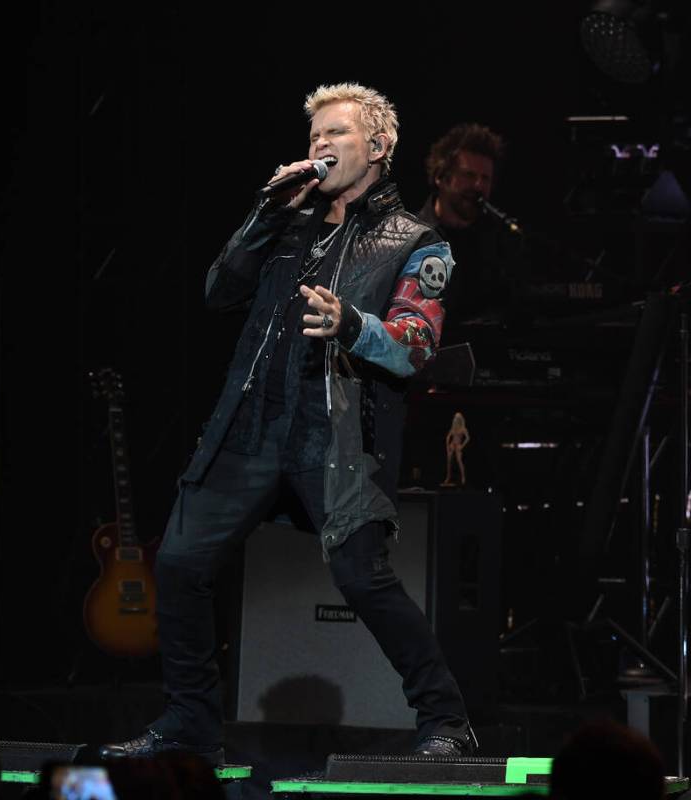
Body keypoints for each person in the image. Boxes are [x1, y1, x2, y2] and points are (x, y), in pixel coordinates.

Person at [100, 82, 475, 763]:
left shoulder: (416, 242)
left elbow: (414, 346)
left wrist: (349, 323)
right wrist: (262, 213)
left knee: (363, 578)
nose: (320, 146)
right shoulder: (286, 220)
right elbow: (219, 291)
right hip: (250, 424)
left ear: (379, 147)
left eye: (336, 133)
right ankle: (190, 723)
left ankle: (445, 720)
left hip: (334, 436)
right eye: (313, 138)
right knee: (181, 565)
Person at [417, 123, 521, 338]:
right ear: (441, 177)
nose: (478, 186)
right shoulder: (411, 237)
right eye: (468, 175)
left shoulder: (499, 240)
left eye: (485, 179)